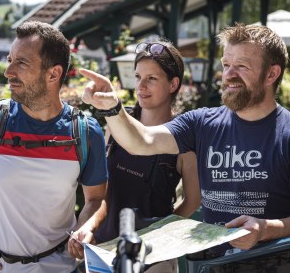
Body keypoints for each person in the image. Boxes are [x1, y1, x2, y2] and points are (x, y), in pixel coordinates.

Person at [80, 23, 290, 271]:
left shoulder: (285, 133)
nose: (229, 74)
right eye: (225, 65)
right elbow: (142, 140)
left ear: (271, 74)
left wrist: (266, 229)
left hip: (273, 263)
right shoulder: (201, 123)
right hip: (210, 266)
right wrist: (112, 107)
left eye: (242, 66)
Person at [68, 40, 201, 273]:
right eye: (138, 77)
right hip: (105, 250)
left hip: (153, 259)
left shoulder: (184, 138)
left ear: (173, 84)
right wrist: (88, 227)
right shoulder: (117, 123)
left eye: (152, 79)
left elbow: (192, 201)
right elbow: (103, 194)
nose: (141, 86)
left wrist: (160, 234)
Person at [0, 21, 108, 273]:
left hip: (60, 267)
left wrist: (86, 228)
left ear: (53, 74)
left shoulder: (86, 131)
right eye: (10, 59)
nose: (8, 71)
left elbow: (96, 198)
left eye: (21, 63)